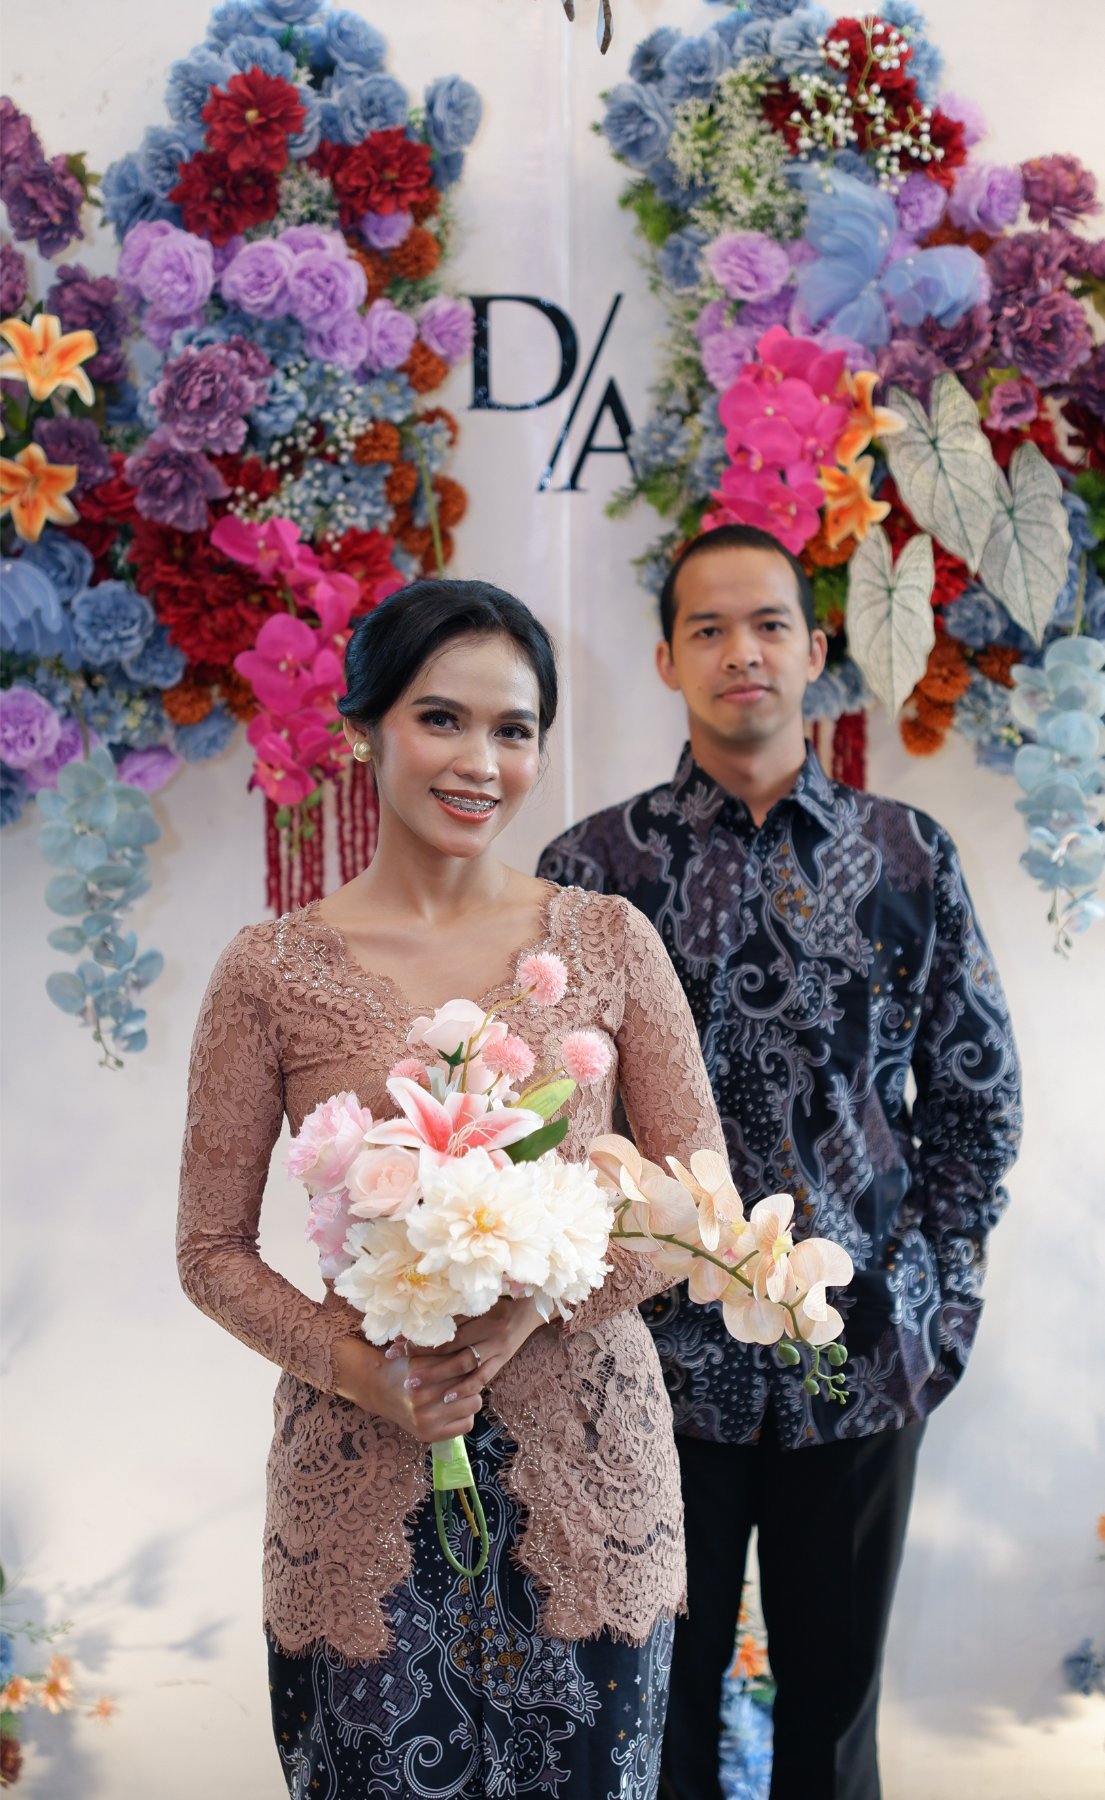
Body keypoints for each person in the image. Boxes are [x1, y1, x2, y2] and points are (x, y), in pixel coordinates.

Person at [177, 578, 732, 1800]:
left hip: (591, 1479)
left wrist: (531, 1305)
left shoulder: (608, 941)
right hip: (355, 1482)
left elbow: (697, 1201)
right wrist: (359, 1371)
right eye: (441, 719)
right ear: (363, 730)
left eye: (513, 729)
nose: (481, 761)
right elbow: (210, 1251)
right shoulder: (268, 971)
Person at [537, 524, 1023, 1800]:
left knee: (833, 1732)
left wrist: (938, 1305)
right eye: (707, 629)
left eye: (767, 625)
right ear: (667, 659)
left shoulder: (905, 854)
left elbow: (974, 1098)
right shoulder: (593, 874)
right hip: (646, 1375)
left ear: (814, 651)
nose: (740, 652)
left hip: (859, 1363)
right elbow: (548, 1127)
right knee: (649, 1722)